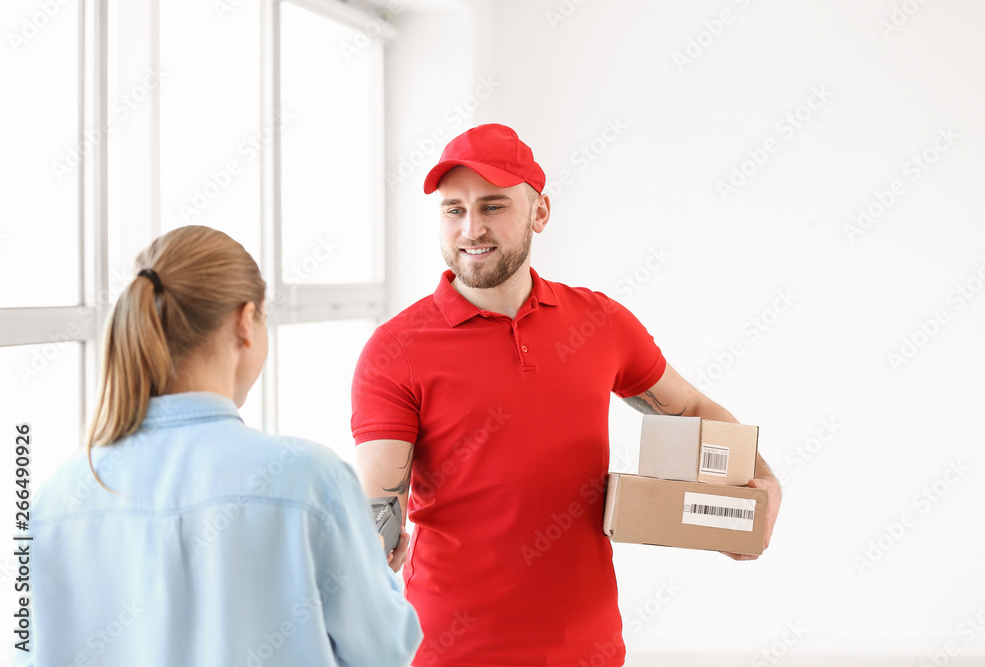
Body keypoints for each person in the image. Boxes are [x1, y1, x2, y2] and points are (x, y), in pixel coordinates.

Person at [350, 123, 782, 666]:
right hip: (452, 647)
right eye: (454, 210)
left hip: (587, 644)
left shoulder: (600, 322)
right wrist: (369, 547)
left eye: (493, 206)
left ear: (540, 212)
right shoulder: (397, 348)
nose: (471, 228)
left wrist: (758, 488)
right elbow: (379, 502)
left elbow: (691, 409)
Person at [15, 226, 421, 667]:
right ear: (246, 322)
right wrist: (368, 570)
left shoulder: (55, 498)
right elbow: (384, 650)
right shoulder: (310, 479)